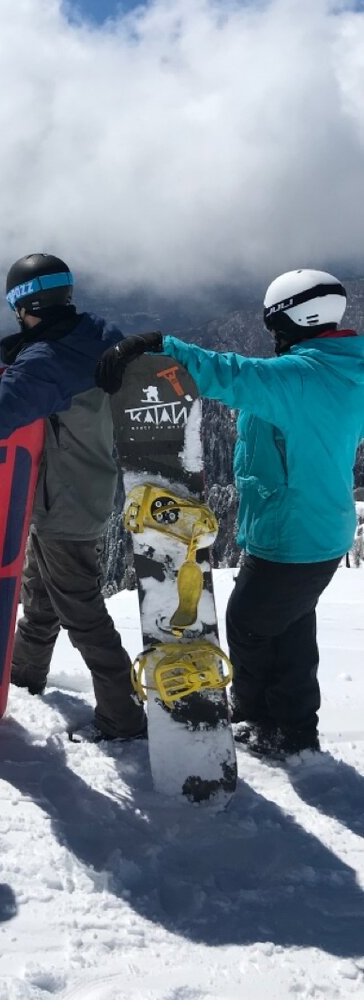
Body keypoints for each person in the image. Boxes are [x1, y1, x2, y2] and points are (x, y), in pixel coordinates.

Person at [95, 268, 364, 758]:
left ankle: (260, 719)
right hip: (320, 527)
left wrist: (162, 345)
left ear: (296, 319)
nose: (273, 335)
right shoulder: (347, 369)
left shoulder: (298, 378)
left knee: (249, 625)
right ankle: (293, 729)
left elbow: (230, 374)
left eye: (275, 324)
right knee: (291, 626)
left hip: (292, 534)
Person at [0, 253, 147, 742]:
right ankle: (24, 676)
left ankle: (123, 716)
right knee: (41, 594)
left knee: (81, 610)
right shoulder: (92, 334)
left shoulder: (49, 362)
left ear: (26, 305)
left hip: (65, 498)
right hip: (77, 487)